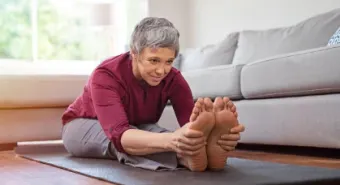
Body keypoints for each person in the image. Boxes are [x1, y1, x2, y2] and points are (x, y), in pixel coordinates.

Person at [61, 17, 245, 172]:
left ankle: (196, 155)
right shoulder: (105, 75)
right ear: (134, 53)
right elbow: (119, 134)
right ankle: (182, 158)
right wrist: (173, 140)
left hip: (136, 126)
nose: (161, 70)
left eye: (169, 61)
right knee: (131, 141)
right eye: (154, 60)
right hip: (83, 125)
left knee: (158, 134)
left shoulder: (174, 79)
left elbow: (191, 127)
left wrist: (213, 135)